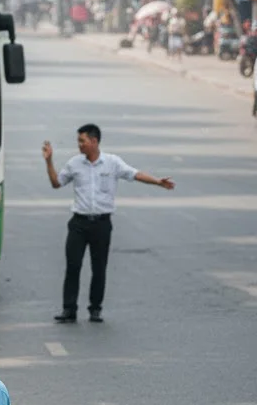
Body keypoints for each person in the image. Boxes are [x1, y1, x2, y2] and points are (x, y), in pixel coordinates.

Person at [43, 124, 175, 323]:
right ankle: (69, 309)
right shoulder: (74, 164)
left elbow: (135, 174)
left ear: (94, 141)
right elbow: (56, 183)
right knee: (73, 265)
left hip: (101, 224)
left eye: (82, 141)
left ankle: (95, 309)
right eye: (79, 141)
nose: (79, 145)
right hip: (79, 223)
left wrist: (157, 181)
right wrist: (49, 161)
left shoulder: (112, 163)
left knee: (99, 268)